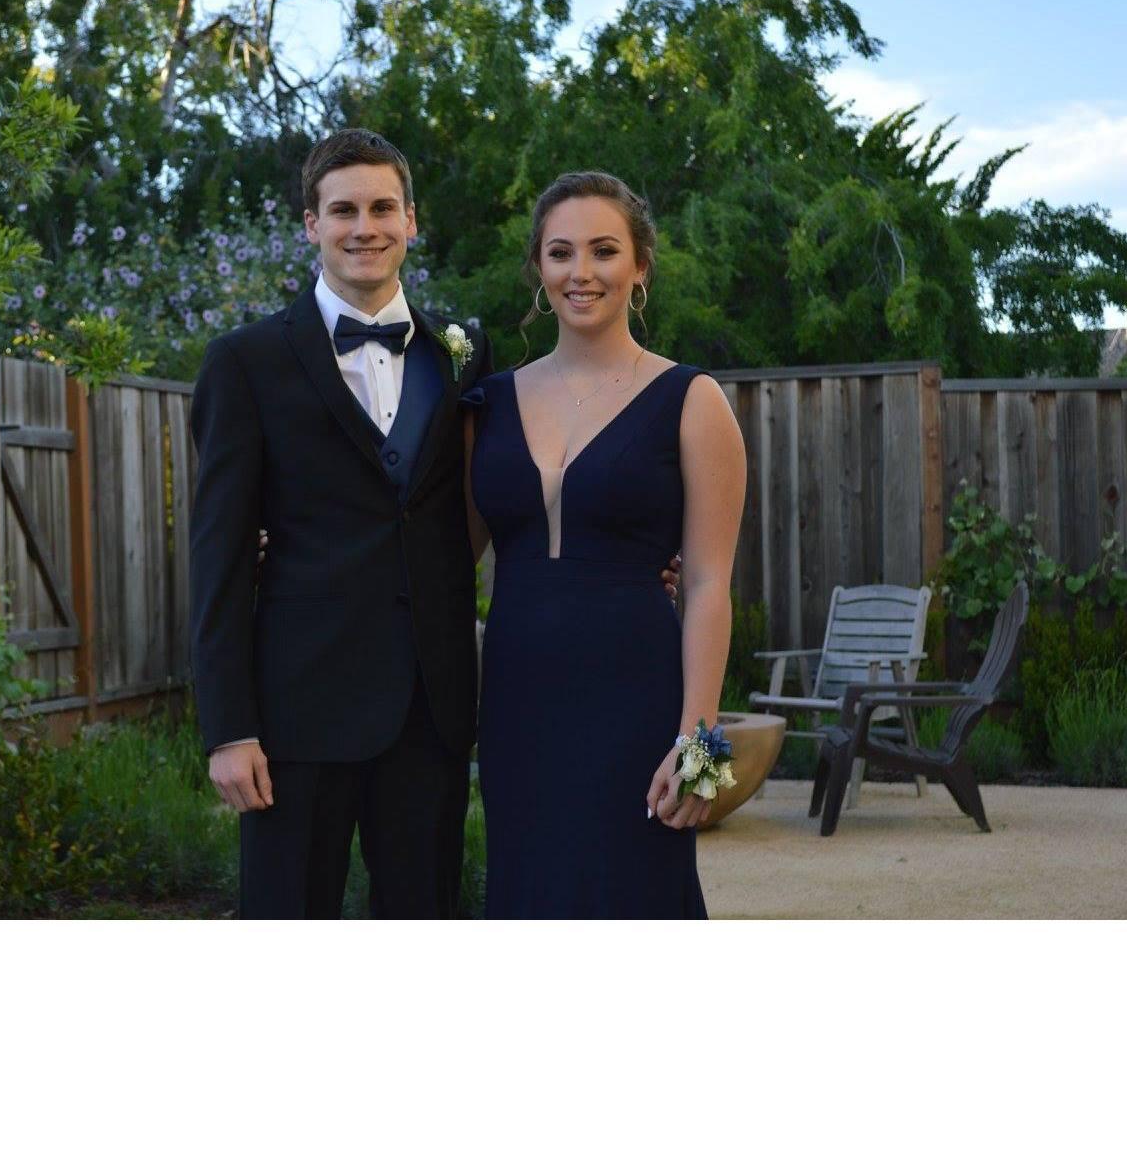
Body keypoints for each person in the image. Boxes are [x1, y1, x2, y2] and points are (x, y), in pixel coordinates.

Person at [189, 131, 679, 918]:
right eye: (343, 210)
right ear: (311, 224)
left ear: (411, 221)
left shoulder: (463, 354)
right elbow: (216, 557)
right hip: (295, 718)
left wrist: (620, 559)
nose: (365, 227)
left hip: (431, 715)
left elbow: (500, 499)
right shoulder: (244, 363)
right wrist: (228, 728)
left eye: (383, 207)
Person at [461, 171, 746, 918]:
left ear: (641, 266)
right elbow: (440, 557)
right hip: (517, 704)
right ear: (538, 267)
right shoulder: (487, 403)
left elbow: (709, 584)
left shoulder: (692, 400)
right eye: (560, 252)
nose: (580, 272)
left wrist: (701, 751)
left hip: (637, 699)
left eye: (604, 251)